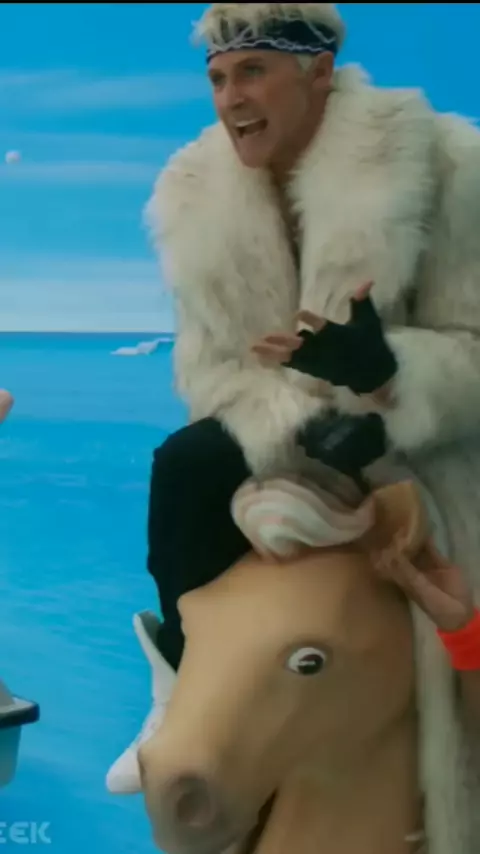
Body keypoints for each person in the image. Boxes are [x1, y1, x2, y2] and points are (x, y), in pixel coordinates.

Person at [106, 2, 480, 795]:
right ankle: (181, 679)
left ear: (319, 72)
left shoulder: (448, 163)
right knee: (185, 465)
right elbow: (209, 372)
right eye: (217, 78)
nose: (231, 98)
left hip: (426, 459)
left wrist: (388, 374)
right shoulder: (191, 195)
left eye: (253, 71)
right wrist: (306, 422)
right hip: (283, 448)